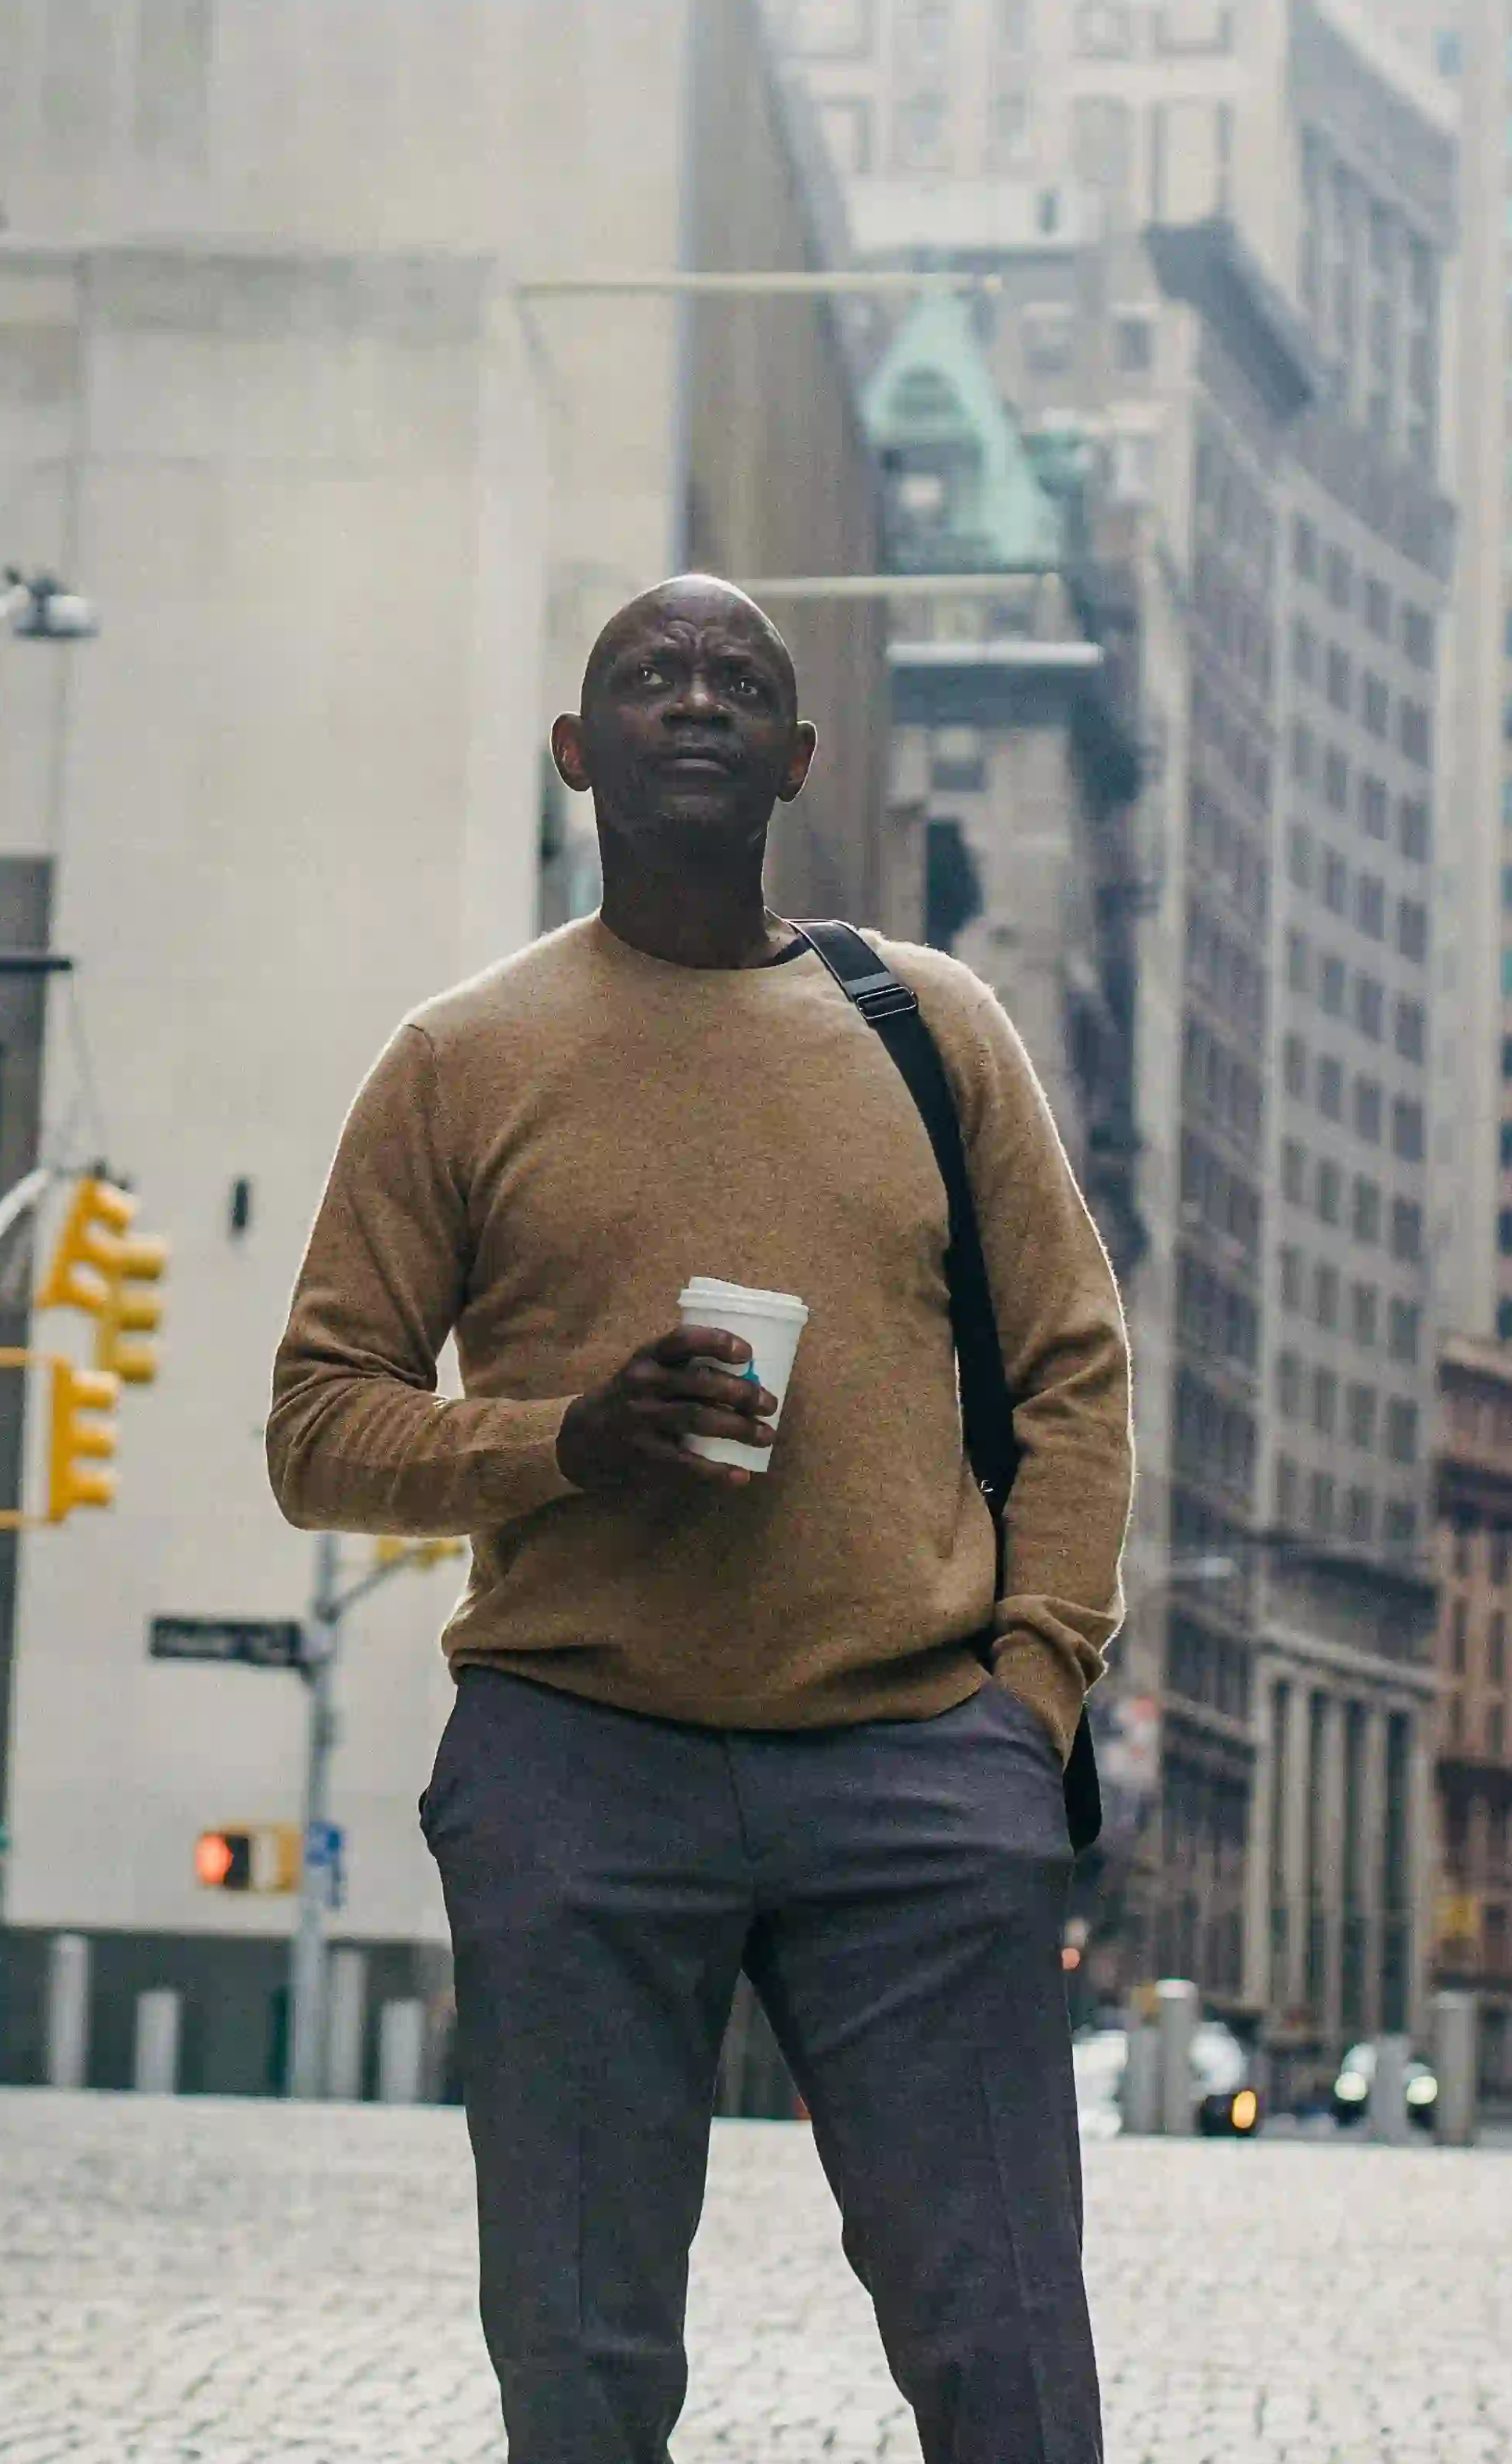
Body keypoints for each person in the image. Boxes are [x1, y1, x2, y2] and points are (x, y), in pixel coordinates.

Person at [268, 575, 1135, 2464]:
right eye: (648, 677)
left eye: (738, 680)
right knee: (579, 2360)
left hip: (917, 1765)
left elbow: (1075, 1373)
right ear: (578, 750)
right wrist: (567, 1442)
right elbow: (318, 1429)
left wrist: (1028, 1699)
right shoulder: (462, 1057)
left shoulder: (934, 1029)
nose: (694, 701)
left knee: (1007, 2350)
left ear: (797, 758)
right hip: (578, 1760)